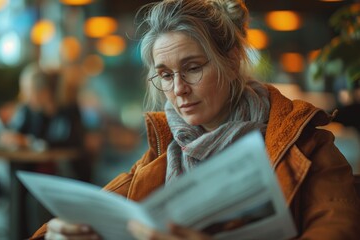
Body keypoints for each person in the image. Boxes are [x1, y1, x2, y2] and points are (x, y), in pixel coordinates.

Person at [31, 0, 360, 239]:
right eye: (164, 74)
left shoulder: (305, 146)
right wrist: (57, 234)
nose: (178, 89)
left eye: (192, 67)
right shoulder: (161, 155)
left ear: (231, 62)